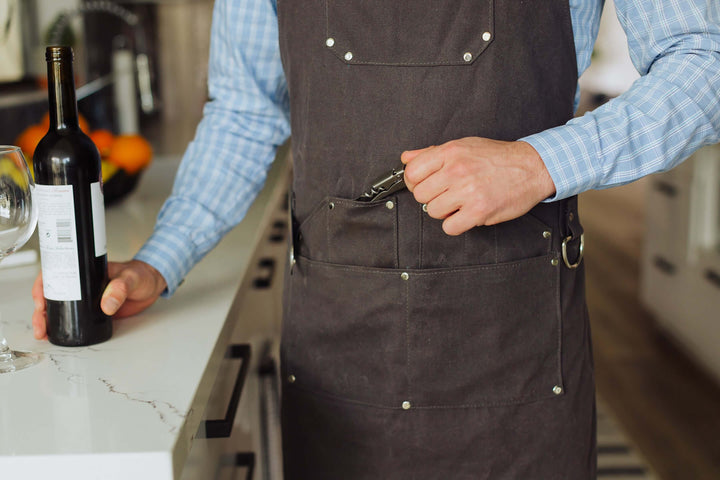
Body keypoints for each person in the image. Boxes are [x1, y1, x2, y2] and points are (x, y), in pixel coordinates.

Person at [32, 0, 720, 478]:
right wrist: (160, 259)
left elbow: (705, 62)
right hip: (341, 354)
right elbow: (244, 113)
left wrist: (540, 163)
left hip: (515, 355)